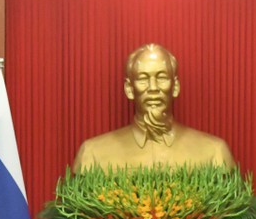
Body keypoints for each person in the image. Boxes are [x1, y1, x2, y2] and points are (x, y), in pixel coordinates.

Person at [72, 43, 235, 171]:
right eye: (143, 79)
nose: (153, 88)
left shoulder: (214, 153)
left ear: (175, 86)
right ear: (129, 89)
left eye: (162, 77)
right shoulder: (93, 154)